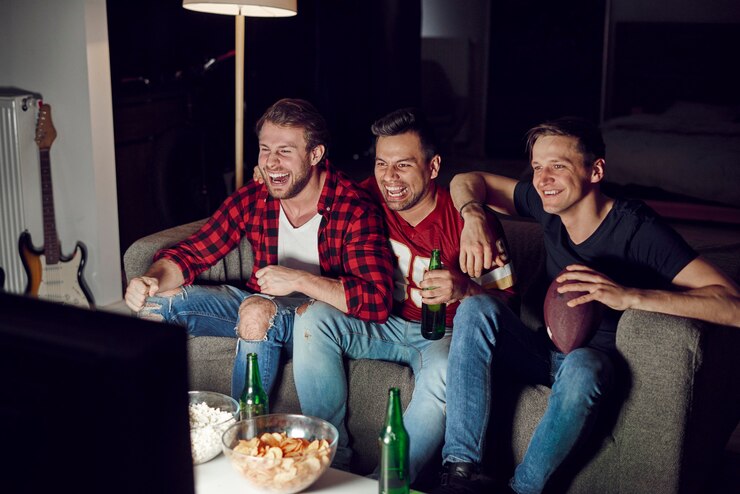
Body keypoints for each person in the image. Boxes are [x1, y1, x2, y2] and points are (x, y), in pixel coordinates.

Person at [443, 117, 740, 494]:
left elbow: (733, 305)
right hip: (540, 351)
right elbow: (466, 180)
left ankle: (523, 490)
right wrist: (473, 215)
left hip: (592, 368)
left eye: (558, 167)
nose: (542, 179)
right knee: (474, 309)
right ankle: (460, 474)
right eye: (536, 167)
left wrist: (629, 296)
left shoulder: (637, 228)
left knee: (583, 363)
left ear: (595, 170)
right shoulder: (545, 204)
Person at [288, 108, 517, 481]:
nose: (389, 178)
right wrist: (268, 176)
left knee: (446, 371)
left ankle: (386, 483)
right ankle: (330, 464)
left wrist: (465, 288)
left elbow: (506, 313)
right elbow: (307, 185)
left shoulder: (468, 222)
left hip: (443, 336)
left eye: (404, 165)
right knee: (313, 318)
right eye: (381, 164)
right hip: (380, 324)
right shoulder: (366, 197)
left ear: (433, 166)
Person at [124, 98, 394, 398]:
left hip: (317, 323)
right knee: (156, 305)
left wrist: (297, 279)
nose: (271, 162)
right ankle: (156, 421)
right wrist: (151, 279)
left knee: (255, 311)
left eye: (284, 152)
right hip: (261, 302)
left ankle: (245, 435)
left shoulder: (352, 208)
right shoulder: (256, 197)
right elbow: (194, 252)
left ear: (316, 153)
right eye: (265, 150)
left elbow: (376, 301)